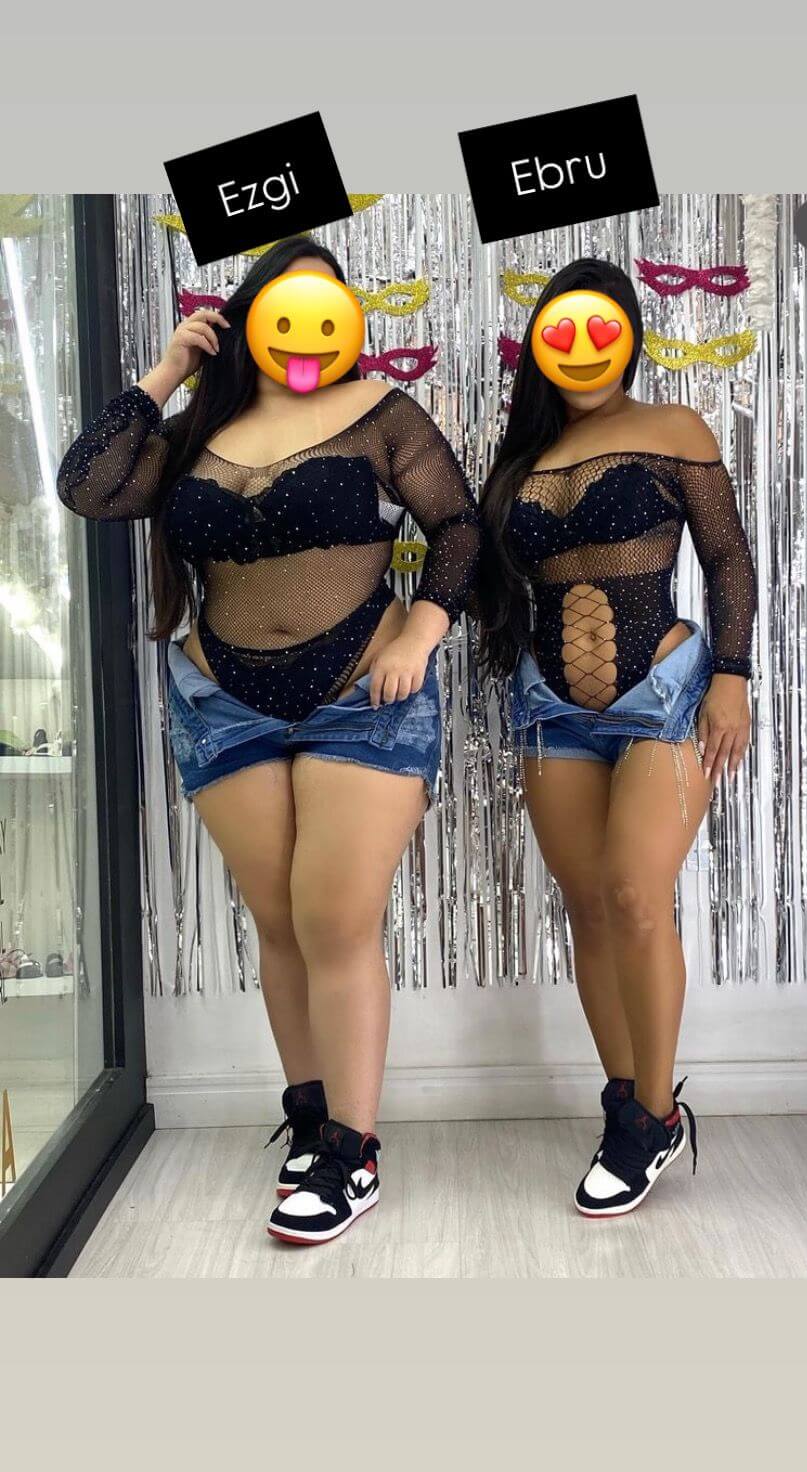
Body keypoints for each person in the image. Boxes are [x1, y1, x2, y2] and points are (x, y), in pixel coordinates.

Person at [57, 236, 481, 1245]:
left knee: (335, 922)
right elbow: (89, 486)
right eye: (285, 310)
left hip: (360, 695)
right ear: (249, 319)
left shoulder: (382, 413)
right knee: (282, 923)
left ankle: (353, 1153)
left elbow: (460, 529)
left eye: (327, 311)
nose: (305, 332)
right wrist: (169, 370)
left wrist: (420, 634)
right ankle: (312, 1116)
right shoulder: (200, 429)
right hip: (223, 701)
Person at [476, 257, 757, 1217]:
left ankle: (653, 1115)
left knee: (637, 894)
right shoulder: (522, 458)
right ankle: (626, 1103)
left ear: (630, 335)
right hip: (550, 706)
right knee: (591, 909)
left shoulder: (674, 429)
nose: (585, 347)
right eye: (563, 331)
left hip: (664, 697)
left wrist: (732, 676)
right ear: (539, 349)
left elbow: (728, 558)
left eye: (602, 328)